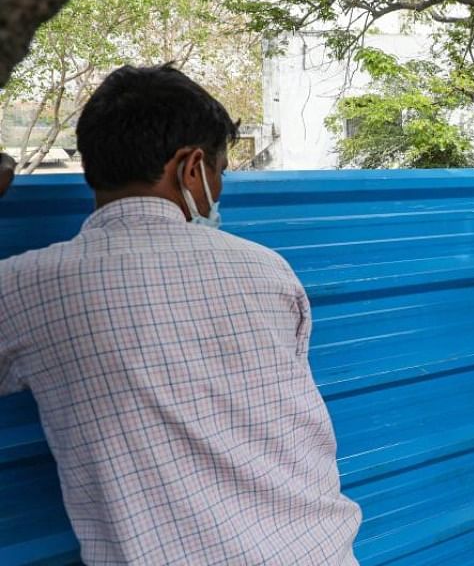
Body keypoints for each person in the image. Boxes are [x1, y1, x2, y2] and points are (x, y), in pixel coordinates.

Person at [0, 65, 362, 564]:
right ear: (191, 168)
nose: (219, 186)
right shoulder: (267, 270)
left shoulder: (25, 287)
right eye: (220, 170)